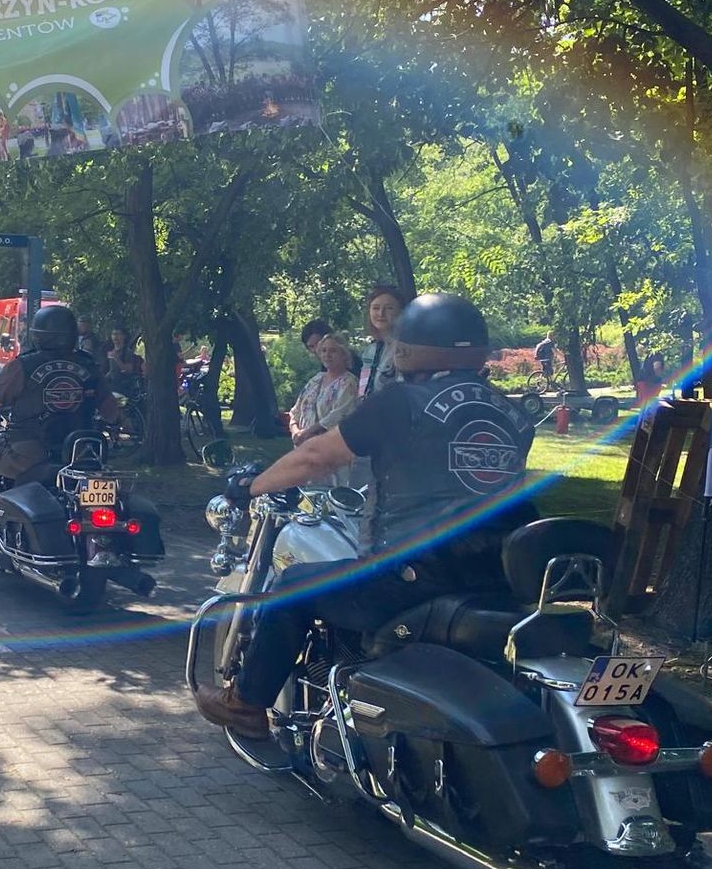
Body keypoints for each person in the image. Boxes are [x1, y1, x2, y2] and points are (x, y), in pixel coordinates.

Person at [191, 294, 534, 738]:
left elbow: (317, 456)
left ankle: (246, 705)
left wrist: (250, 486)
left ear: (409, 347)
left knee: (292, 585)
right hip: (495, 576)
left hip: (412, 575)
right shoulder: (512, 413)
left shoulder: (402, 401)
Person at [0, 305, 121, 550]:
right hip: (81, 456)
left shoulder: (24, 366)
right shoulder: (90, 366)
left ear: (37, 334)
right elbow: (112, 413)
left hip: (28, 456)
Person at [287, 334, 359, 483]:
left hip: (329, 450)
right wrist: (295, 431)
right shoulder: (316, 379)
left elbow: (338, 415)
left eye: (333, 351)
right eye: (324, 350)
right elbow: (296, 409)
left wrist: (308, 432)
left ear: (344, 354)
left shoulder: (349, 382)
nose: (327, 355)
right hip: (303, 447)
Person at [358, 283, 406, 396]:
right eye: (376, 308)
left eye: (389, 308)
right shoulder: (370, 351)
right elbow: (362, 387)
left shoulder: (405, 350)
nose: (381, 313)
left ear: (401, 312)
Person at [106, 326, 144, 396]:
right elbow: (112, 370)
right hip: (112, 386)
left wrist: (116, 358)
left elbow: (129, 369)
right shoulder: (110, 351)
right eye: (113, 334)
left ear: (124, 336)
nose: (115, 336)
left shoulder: (127, 352)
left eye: (118, 334)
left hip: (124, 387)